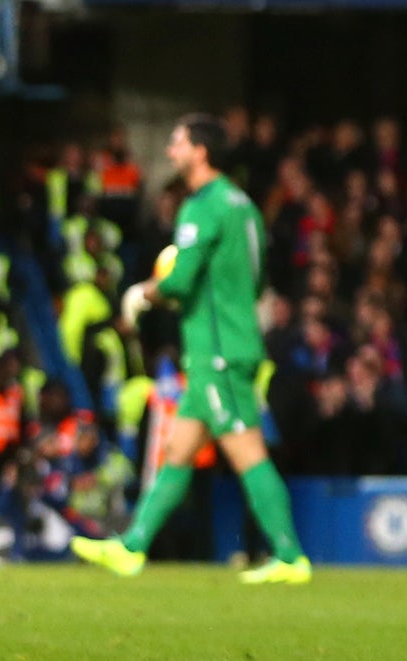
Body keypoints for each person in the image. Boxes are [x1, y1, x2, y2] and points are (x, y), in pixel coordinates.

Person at [71, 115, 311, 584]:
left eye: (177, 142)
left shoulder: (202, 206)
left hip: (218, 350)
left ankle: (289, 556)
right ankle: (133, 547)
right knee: (177, 451)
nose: (169, 152)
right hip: (224, 344)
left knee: (247, 452)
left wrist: (143, 292)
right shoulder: (244, 206)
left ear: (201, 151)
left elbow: (179, 279)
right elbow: (259, 276)